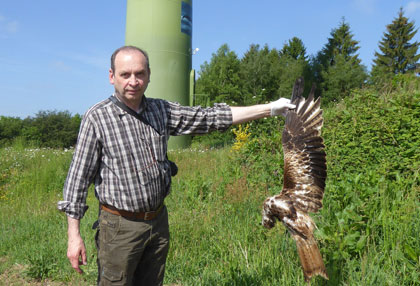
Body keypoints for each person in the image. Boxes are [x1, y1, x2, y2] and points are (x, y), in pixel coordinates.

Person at [57, 45, 295, 285]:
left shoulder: (161, 110)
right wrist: (73, 235)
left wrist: (270, 109)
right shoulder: (97, 117)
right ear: (112, 77)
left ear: (149, 75)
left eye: (139, 74)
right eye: (125, 74)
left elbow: (209, 117)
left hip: (158, 222)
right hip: (119, 227)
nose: (133, 81)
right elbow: (78, 179)